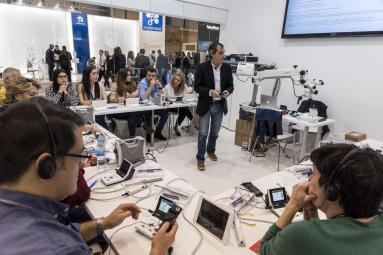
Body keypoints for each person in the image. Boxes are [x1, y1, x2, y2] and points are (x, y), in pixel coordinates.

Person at [0, 97, 178, 255]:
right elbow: (61, 241)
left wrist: (103, 224)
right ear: (47, 166)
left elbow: (65, 231)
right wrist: (157, 251)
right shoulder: (58, 247)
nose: (83, 164)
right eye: (79, 155)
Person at [260, 143, 383, 255]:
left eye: (313, 174)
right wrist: (310, 210)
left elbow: (264, 250)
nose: (309, 180)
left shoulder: (301, 234)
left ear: (332, 189)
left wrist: (292, 205)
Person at [194, 42, 234, 171]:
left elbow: (231, 85)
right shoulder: (202, 67)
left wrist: (228, 91)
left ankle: (211, 150)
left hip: (220, 104)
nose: (224, 55)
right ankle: (200, 158)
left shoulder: (227, 68)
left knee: (215, 132)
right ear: (212, 53)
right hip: (206, 103)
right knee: (203, 133)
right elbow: (197, 87)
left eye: (223, 52)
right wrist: (210, 92)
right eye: (220, 52)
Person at [138, 67, 168, 141]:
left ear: (156, 76)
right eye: (149, 75)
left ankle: (158, 132)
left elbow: (160, 96)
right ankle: (149, 134)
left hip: (153, 105)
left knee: (165, 113)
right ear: (146, 75)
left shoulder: (156, 82)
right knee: (149, 112)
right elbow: (143, 97)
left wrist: (160, 87)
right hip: (142, 106)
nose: (151, 77)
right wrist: (151, 86)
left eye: (153, 76)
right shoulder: (142, 83)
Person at [109, 68, 140, 137]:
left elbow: (136, 98)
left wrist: (136, 95)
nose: (130, 76)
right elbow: (111, 99)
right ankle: (142, 125)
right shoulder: (116, 84)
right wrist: (123, 98)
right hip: (118, 111)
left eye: (130, 75)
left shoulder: (132, 84)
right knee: (133, 112)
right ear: (123, 76)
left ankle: (132, 137)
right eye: (128, 75)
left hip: (129, 110)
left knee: (131, 115)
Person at [164, 72, 194, 136]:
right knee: (185, 109)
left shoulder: (183, 87)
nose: (176, 81)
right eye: (175, 79)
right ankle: (194, 122)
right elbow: (165, 98)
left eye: (178, 80)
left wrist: (194, 86)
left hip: (179, 106)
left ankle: (176, 126)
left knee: (184, 110)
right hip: (169, 107)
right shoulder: (168, 86)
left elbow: (190, 91)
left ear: (181, 82)